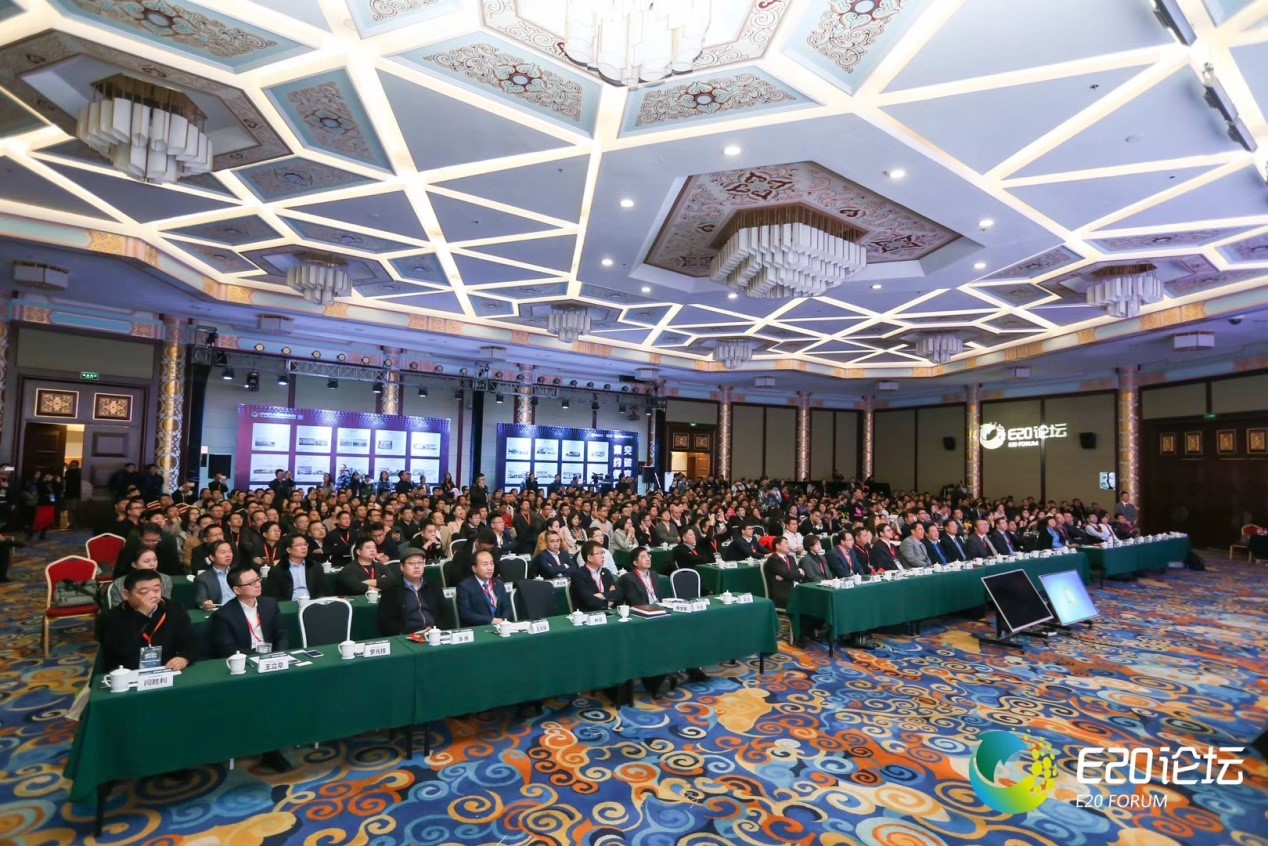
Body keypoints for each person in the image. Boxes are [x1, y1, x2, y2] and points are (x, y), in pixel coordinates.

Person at [209, 567, 292, 773]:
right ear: (237, 590)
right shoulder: (224, 615)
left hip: (273, 662)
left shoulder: (270, 604)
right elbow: (226, 648)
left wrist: (278, 655)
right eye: (251, 583)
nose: (257, 584)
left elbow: (281, 634)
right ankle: (270, 752)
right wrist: (257, 659)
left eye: (257, 579)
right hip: (246, 667)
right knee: (264, 697)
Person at [97, 569, 195, 671]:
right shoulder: (110, 618)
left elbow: (189, 640)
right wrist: (142, 614)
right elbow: (119, 652)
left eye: (156, 590)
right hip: (128, 671)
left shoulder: (174, 608)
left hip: (167, 668)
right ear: (126, 595)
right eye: (144, 592)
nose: (152, 595)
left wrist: (184, 658)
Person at [378, 547, 441, 635]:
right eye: (411, 563)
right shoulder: (391, 590)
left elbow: (444, 615)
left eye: (420, 563)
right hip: (408, 636)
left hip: (434, 634)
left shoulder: (433, 586)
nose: (417, 566)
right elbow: (387, 621)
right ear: (402, 567)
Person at [455, 550, 510, 627]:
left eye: (492, 563)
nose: (490, 568)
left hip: (501, 626)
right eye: (485, 564)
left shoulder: (498, 584)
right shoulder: (464, 587)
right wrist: (491, 620)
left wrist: (503, 620)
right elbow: (465, 614)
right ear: (474, 568)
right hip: (479, 628)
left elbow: (506, 607)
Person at [265, 534, 327, 601]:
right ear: (289, 550)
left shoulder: (315, 567)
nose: (304, 547)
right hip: (289, 604)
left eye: (305, 544)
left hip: (311, 602)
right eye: (299, 545)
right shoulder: (277, 570)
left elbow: (321, 591)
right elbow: (274, 595)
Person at [114, 522, 184, 579]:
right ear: (140, 538)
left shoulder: (167, 552)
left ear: (160, 538)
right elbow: (119, 574)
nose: (150, 544)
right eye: (147, 541)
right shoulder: (128, 552)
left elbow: (176, 573)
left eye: (154, 541)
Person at [107, 548, 172, 608]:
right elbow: (117, 610)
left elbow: (166, 604)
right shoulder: (119, 583)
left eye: (155, 560)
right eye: (147, 561)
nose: (153, 564)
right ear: (134, 564)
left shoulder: (165, 579)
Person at [570, 540, 619, 611]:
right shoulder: (579, 575)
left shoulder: (606, 572)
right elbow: (589, 601)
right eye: (599, 553)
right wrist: (608, 600)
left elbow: (618, 593)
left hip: (608, 612)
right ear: (589, 558)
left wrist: (601, 595)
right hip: (588, 614)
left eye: (603, 552)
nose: (603, 556)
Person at [193, 539, 236, 609]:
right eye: (223, 552)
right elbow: (201, 600)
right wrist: (205, 603)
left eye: (230, 551)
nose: (228, 555)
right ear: (212, 557)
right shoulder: (202, 578)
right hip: (220, 611)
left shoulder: (239, 572)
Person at [762, 536, 802, 609]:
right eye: (786, 543)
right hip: (783, 591)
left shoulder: (791, 558)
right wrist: (799, 571)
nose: (788, 545)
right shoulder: (773, 559)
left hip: (795, 587)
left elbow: (798, 575)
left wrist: (789, 575)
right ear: (778, 546)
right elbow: (789, 575)